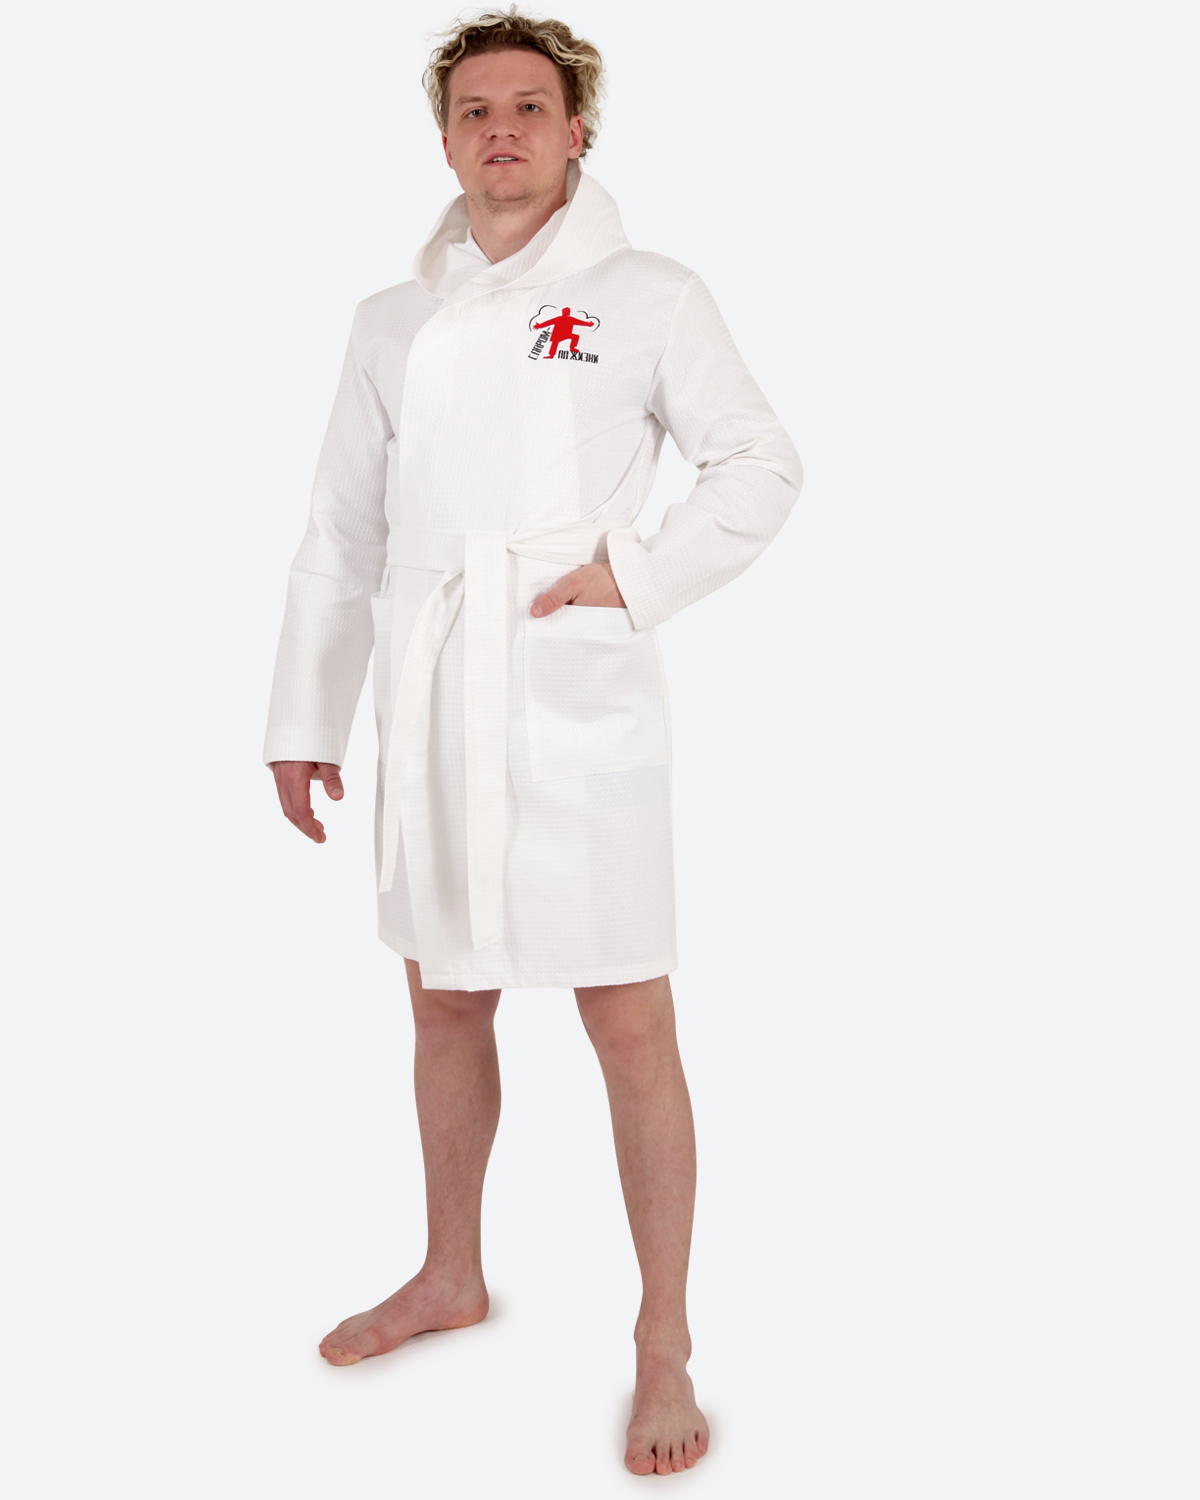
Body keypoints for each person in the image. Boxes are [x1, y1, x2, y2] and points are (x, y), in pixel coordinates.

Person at [263, 8, 802, 1478]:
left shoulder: (649, 292)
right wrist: (306, 716)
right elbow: (340, 527)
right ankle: (452, 1271)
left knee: (629, 1019)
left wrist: (634, 576)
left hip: (576, 694)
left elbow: (759, 460)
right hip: (433, 685)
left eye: (528, 107)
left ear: (577, 132)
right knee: (444, 1002)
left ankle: (663, 1339)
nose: (500, 129)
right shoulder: (388, 318)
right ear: (446, 142)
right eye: (474, 111)